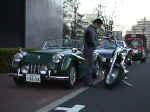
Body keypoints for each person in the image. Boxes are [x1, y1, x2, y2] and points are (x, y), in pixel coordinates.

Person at [83, 18, 103, 87]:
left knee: (90, 66)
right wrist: (98, 43)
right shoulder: (90, 30)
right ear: (96, 24)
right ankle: (89, 82)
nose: (99, 27)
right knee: (89, 66)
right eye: (99, 26)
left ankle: (88, 81)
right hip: (89, 50)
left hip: (89, 49)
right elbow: (90, 42)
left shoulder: (92, 29)